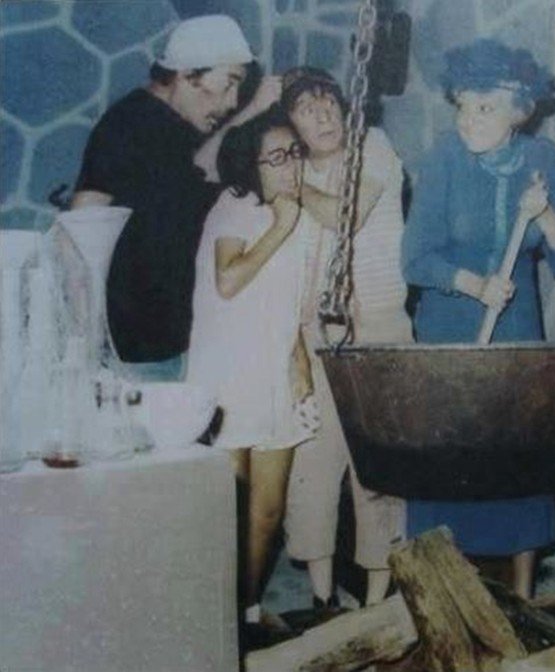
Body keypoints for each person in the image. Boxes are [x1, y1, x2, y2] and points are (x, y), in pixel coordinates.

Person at [401, 39, 555, 599]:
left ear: (519, 111)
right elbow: (415, 259)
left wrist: (544, 214)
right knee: (448, 461)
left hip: (517, 325)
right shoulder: (444, 159)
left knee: (517, 455)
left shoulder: (544, 160)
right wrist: (475, 284)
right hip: (449, 326)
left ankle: (523, 598)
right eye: (463, 106)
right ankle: (445, 594)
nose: (468, 120)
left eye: (485, 108)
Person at [71, 14, 280, 381]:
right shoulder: (126, 125)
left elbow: (203, 170)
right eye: (230, 82)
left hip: (174, 343)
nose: (233, 101)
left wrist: (252, 113)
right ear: (188, 73)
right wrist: (83, 347)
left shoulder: (181, 127)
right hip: (129, 353)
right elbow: (78, 231)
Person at [279, 67, 411, 612]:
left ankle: (378, 601)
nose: (323, 115)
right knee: (312, 464)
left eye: (328, 102)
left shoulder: (373, 146)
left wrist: (289, 184)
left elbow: (345, 216)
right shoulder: (294, 168)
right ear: (291, 124)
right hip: (314, 335)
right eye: (306, 109)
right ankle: (322, 600)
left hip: (380, 328)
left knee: (377, 469)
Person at [187, 106, 318, 640]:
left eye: (295, 153)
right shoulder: (235, 206)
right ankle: (215, 617)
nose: (291, 165)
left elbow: (285, 301)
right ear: (251, 165)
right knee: (229, 507)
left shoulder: (296, 213)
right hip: (226, 372)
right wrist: (280, 228)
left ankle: (247, 609)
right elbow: (229, 281)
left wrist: (299, 359)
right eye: (277, 157)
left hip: (272, 368)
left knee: (268, 510)